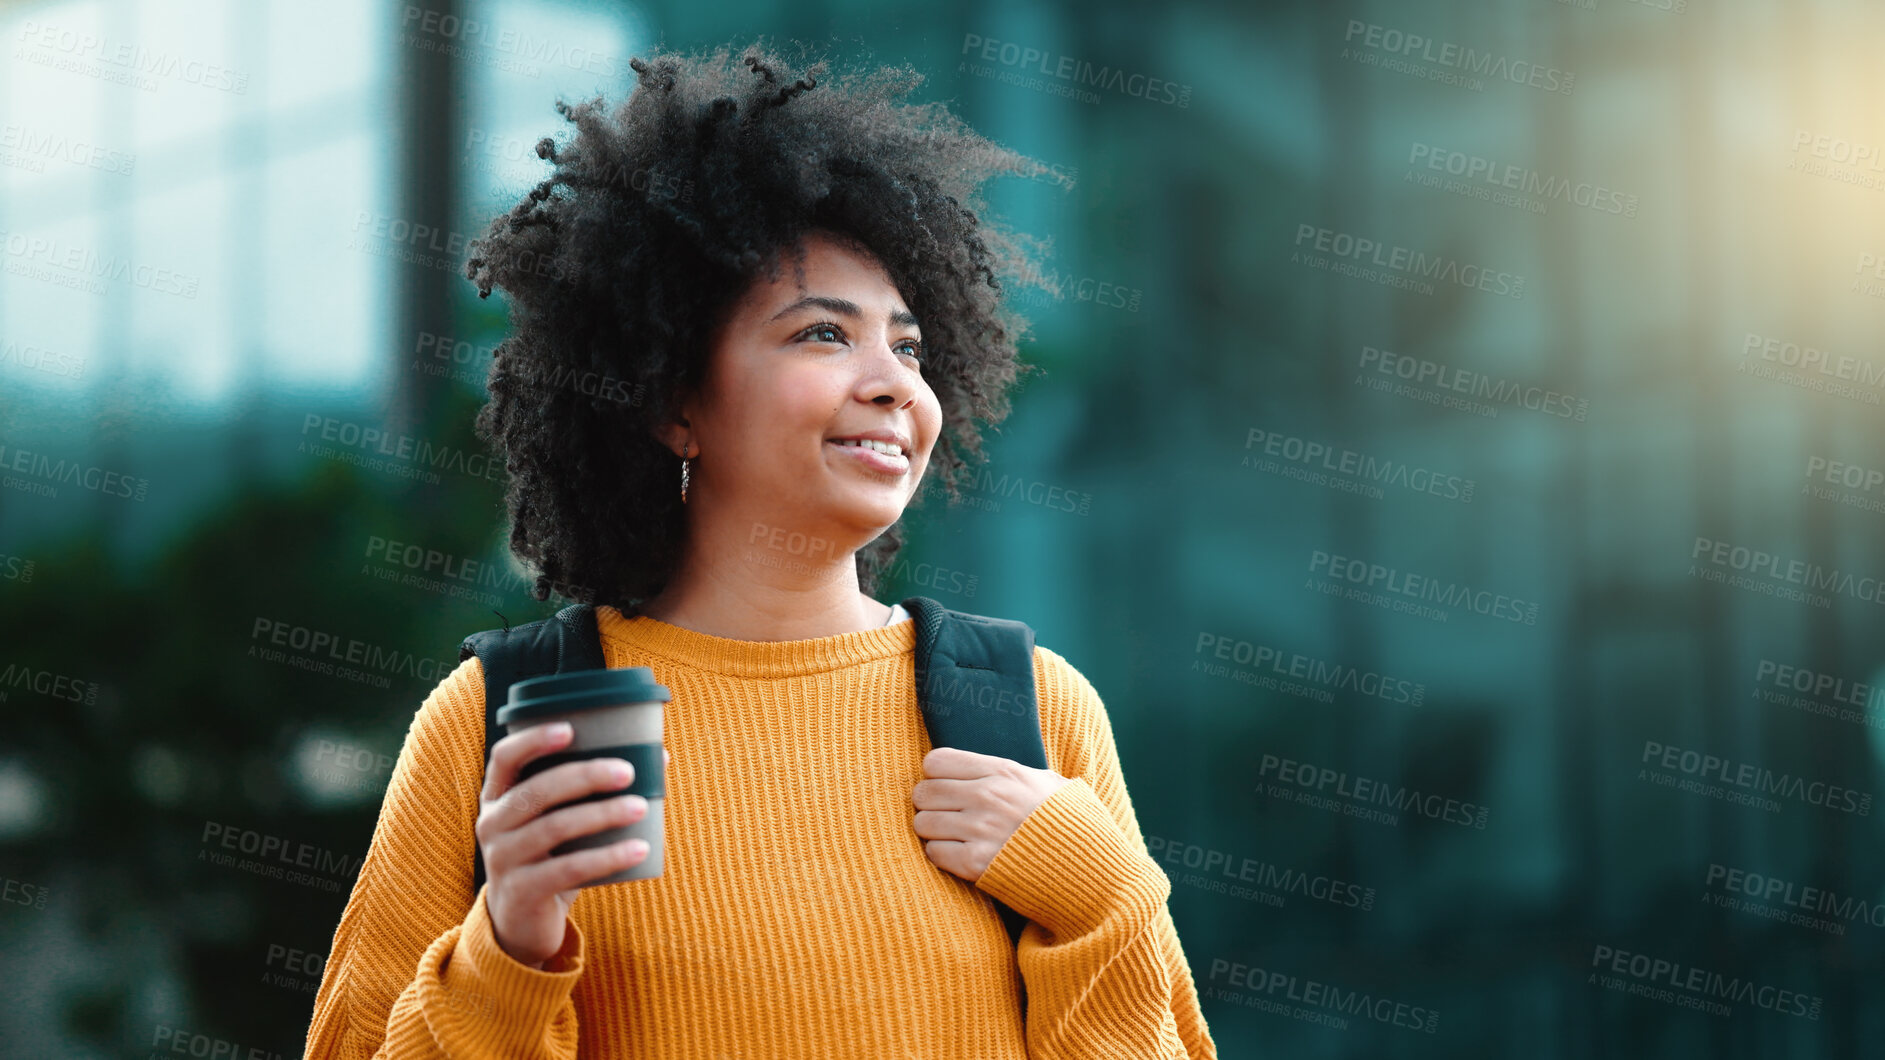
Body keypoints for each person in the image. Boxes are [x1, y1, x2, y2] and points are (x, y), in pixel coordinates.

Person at [303, 38, 1216, 1060]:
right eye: (822, 334)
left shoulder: (1032, 709)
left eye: (907, 345)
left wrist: (1103, 896)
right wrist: (508, 946)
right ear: (671, 401)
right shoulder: (501, 724)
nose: (892, 384)